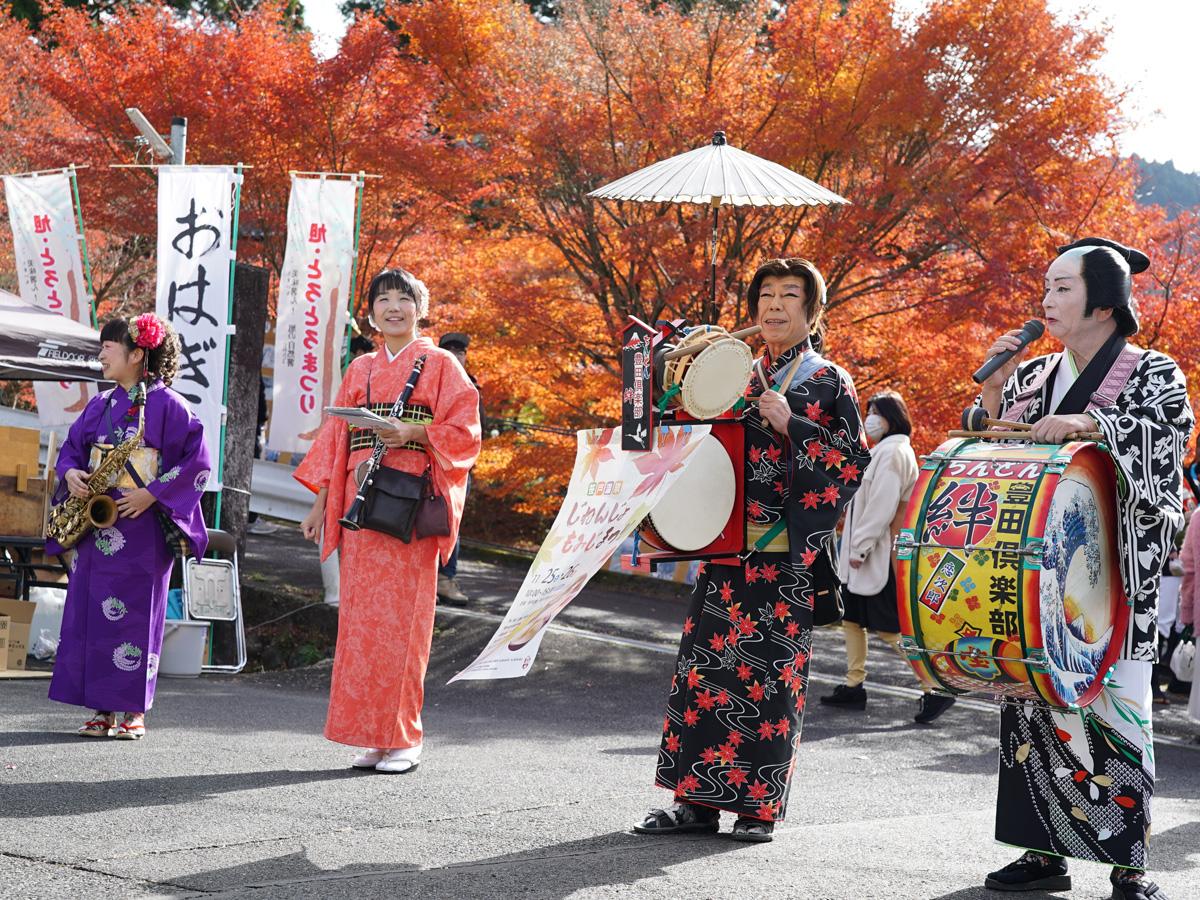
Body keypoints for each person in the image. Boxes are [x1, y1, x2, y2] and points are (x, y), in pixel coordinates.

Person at [975, 238, 1192, 900]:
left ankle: (1129, 862)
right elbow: (991, 444)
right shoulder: (1033, 375)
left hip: (1112, 576)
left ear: (1105, 301)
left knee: (1118, 708)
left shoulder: (1154, 371)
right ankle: (1042, 854)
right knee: (1033, 705)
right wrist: (989, 389)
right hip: (1034, 576)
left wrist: (1093, 425)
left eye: (1063, 287)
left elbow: (1166, 449)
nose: (1047, 298)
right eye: (1046, 285)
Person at [633, 258, 871, 842]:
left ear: (813, 312)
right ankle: (695, 801)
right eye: (765, 294)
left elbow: (852, 465)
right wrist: (675, 374)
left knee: (769, 683)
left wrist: (795, 426)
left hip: (782, 559)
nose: (775, 305)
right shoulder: (731, 370)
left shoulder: (828, 380)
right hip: (726, 552)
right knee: (705, 678)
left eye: (791, 295)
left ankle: (757, 809)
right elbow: (684, 439)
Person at [296, 268, 481, 774]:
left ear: (420, 308)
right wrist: (321, 504)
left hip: (409, 505)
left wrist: (413, 434)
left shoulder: (441, 364)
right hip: (360, 502)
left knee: (404, 626)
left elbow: (465, 432)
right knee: (361, 625)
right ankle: (374, 737)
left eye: (404, 299)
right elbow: (336, 441)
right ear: (371, 311)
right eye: (383, 299)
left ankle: (404, 737)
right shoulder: (361, 369)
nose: (393, 308)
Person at [47, 313, 210, 740]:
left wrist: (153, 493)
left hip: (141, 524)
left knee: (138, 616)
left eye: (109, 346)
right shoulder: (99, 405)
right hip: (96, 521)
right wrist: (71, 476)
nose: (101, 353)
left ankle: (133, 711)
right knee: (89, 615)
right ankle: (100, 709)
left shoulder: (171, 406)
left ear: (138, 354)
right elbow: (71, 452)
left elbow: (197, 462)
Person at [820, 390, 955, 723]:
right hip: (865, 554)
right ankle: (854, 684)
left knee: (889, 628)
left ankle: (934, 687)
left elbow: (882, 505)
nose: (869, 418)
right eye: (868, 411)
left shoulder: (893, 453)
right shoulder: (882, 451)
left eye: (875, 412)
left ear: (892, 417)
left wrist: (860, 547)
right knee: (852, 620)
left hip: (878, 555)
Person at [435, 332, 483, 604]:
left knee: (452, 523)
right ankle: (429, 580)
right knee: (424, 521)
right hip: (429, 463)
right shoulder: (428, 382)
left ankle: (445, 578)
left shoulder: (473, 388)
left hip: (460, 469)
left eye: (460, 350)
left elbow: (479, 430)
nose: (455, 354)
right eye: (449, 349)